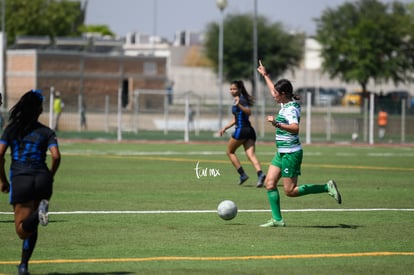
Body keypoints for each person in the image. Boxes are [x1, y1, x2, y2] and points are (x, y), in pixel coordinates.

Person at [257, 60, 341, 227]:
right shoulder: (285, 103)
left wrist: (277, 123)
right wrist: (265, 75)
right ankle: (277, 219)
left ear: (284, 94)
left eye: (276, 94)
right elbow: (273, 89)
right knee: (269, 183)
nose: (273, 95)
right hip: (281, 152)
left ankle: (326, 187)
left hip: (291, 153)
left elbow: (295, 128)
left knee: (290, 191)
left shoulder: (291, 109)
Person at [0, 89, 61, 275]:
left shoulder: (11, 129)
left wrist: (2, 180)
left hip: (22, 178)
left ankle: (38, 213)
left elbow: (0, 155)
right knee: (32, 226)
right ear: (39, 110)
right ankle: (24, 266)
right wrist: (50, 175)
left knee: (22, 230)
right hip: (43, 179)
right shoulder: (47, 131)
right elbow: (56, 156)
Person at [219, 80, 266, 187]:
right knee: (250, 155)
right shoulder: (239, 100)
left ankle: (242, 175)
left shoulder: (241, 100)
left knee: (230, 152)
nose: (232, 91)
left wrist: (239, 104)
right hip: (249, 130)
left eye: (234, 89)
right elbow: (235, 119)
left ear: (240, 90)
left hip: (241, 130)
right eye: (230, 89)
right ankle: (260, 174)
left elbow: (248, 112)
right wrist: (225, 127)